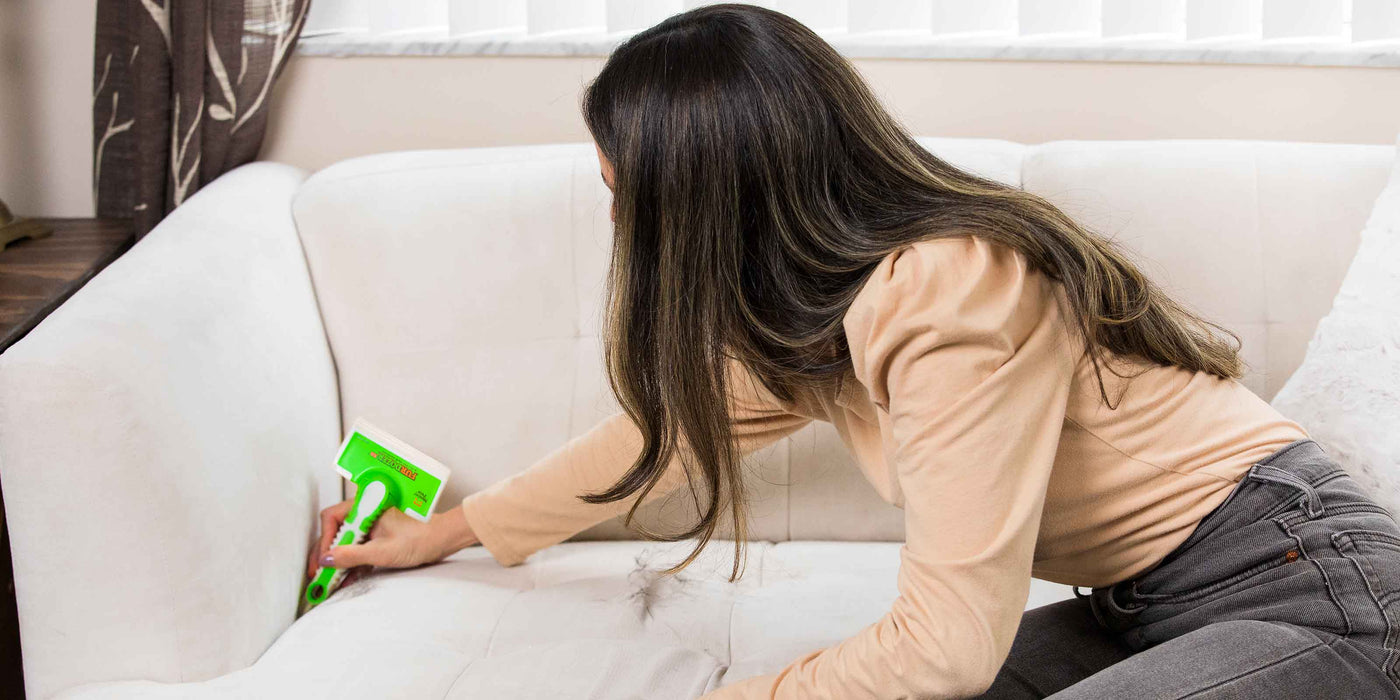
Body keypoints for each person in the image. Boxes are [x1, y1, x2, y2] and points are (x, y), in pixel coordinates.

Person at [308, 5, 1400, 698]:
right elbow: (660, 440)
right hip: (1142, 601)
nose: (620, 226)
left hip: (1309, 584)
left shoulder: (949, 288)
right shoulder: (819, 308)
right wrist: (440, 534)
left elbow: (943, 649)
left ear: (706, 197)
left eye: (624, 197)